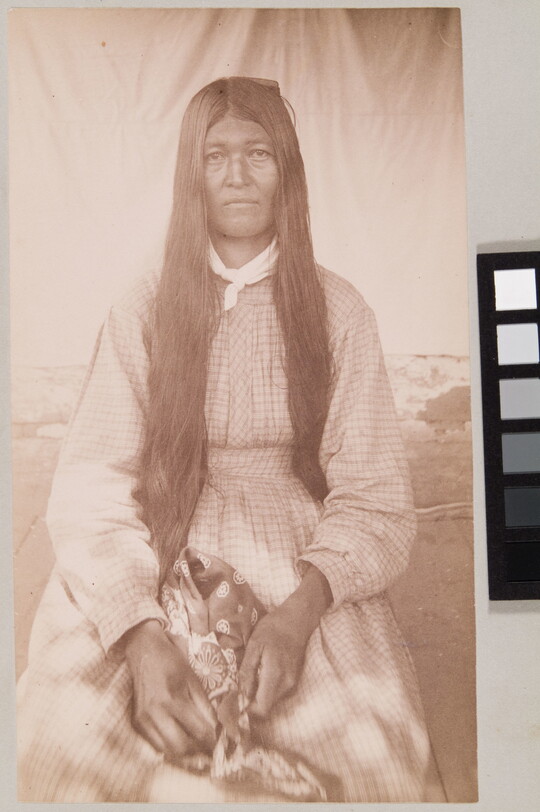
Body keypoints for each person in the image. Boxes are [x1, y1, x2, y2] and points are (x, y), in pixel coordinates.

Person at [17, 76, 430, 802]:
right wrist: (140, 632)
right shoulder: (143, 306)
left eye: (259, 154)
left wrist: (301, 615)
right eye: (215, 157)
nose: (237, 175)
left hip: (298, 557)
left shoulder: (339, 311)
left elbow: (376, 496)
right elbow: (91, 488)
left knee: (375, 762)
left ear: (287, 174)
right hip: (159, 540)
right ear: (192, 177)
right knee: (61, 748)